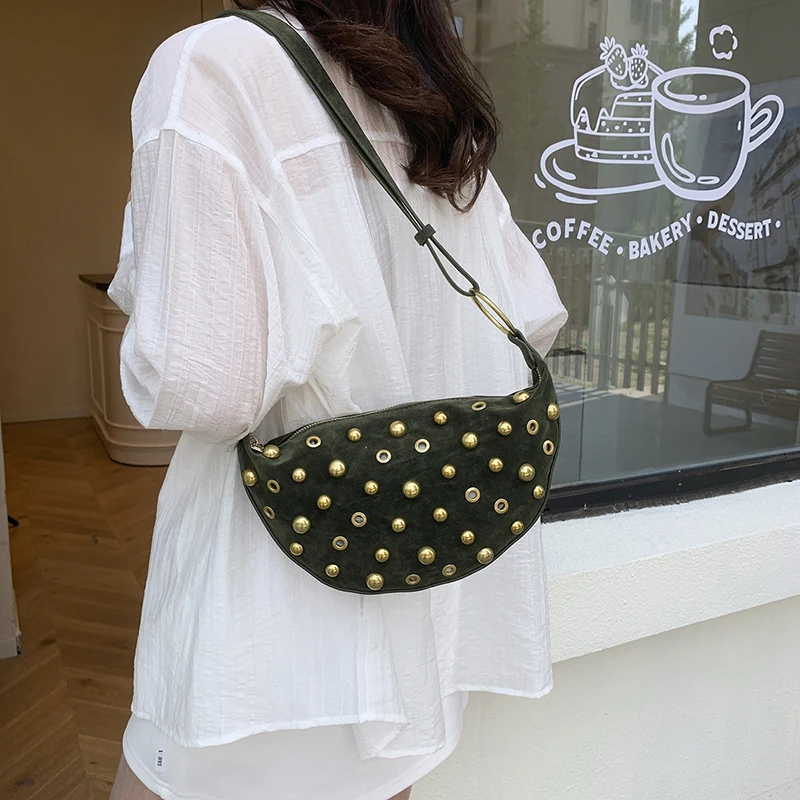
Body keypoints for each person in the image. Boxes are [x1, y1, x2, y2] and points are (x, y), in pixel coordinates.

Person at [107, 1, 567, 798]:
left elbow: (201, 382)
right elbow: (531, 314)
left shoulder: (212, 67)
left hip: (266, 629)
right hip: (421, 612)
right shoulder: (430, 96)